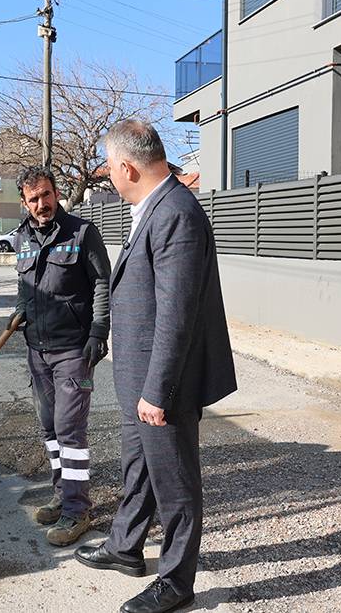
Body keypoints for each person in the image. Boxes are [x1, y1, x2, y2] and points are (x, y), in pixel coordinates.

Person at [74, 120, 236, 613]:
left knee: (175, 481)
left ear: (126, 166)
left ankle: (177, 580)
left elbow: (178, 313)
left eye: (108, 167)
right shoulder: (153, 207)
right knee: (137, 467)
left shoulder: (176, 213)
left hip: (163, 382)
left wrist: (158, 391)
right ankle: (125, 546)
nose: (108, 177)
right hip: (137, 377)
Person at [8, 167, 111, 546]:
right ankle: (61, 491)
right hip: (37, 350)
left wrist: (99, 331)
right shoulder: (21, 239)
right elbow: (27, 287)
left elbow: (102, 281)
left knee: (70, 430)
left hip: (73, 351)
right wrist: (20, 309)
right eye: (33, 199)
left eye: (46, 195)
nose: (41, 204)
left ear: (57, 193)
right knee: (50, 429)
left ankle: (77, 509)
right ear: (24, 201)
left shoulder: (82, 233)